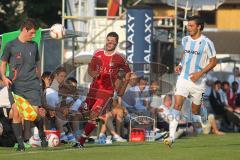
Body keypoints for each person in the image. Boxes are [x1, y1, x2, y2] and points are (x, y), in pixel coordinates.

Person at [163, 15, 217, 147]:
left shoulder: (207, 43)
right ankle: (171, 138)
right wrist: (180, 64)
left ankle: (203, 113)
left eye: (191, 25)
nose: (189, 28)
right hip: (184, 78)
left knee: (195, 111)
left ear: (199, 27)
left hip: (198, 81)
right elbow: (185, 54)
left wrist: (200, 73)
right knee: (176, 105)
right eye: (188, 25)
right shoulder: (185, 39)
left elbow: (214, 61)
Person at [73, 32, 131, 148]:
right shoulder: (98, 53)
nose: (110, 43)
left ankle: (81, 141)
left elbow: (128, 73)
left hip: (106, 92)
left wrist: (123, 85)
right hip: (93, 89)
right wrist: (94, 73)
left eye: (112, 41)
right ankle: (75, 136)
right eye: (108, 40)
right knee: (82, 113)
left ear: (116, 43)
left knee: (94, 115)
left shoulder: (119, 58)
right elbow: (90, 69)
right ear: (106, 40)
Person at [0, 18, 47, 151]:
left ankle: (42, 134)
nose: (33, 35)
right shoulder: (10, 45)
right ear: (24, 30)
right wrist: (4, 77)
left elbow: (38, 64)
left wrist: (41, 82)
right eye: (32, 32)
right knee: (16, 113)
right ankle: (20, 144)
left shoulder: (34, 45)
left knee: (33, 114)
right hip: (15, 85)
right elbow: (3, 63)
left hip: (32, 84)